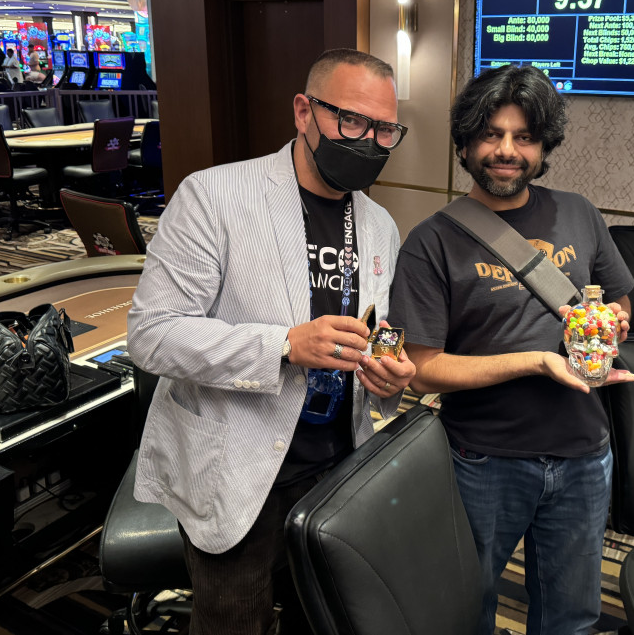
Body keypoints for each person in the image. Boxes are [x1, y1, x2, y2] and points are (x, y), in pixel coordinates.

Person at [127, 48, 417, 635]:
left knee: (328, 620)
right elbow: (151, 334)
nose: (368, 141)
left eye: (385, 129)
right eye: (351, 120)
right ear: (303, 111)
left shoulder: (381, 224)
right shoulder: (214, 197)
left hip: (338, 467)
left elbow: (373, 334)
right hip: (238, 470)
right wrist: (282, 345)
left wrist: (388, 380)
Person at [387, 64, 634, 635]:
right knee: (465, 610)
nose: (506, 150)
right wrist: (537, 361)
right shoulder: (432, 241)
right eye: (491, 135)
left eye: (523, 137)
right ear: (466, 143)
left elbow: (619, 304)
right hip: (483, 460)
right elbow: (421, 371)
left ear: (544, 146)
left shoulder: (579, 212)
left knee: (572, 617)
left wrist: (610, 329)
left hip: (583, 455)